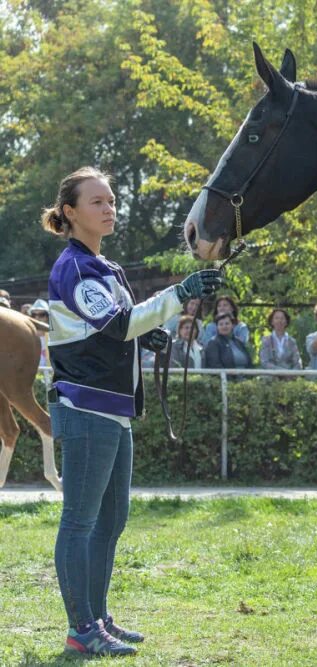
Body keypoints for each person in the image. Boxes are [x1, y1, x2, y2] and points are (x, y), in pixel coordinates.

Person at [41, 166, 221, 656]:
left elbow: (117, 330)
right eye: (97, 202)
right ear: (71, 213)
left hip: (114, 412)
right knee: (80, 522)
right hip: (86, 409)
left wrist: (149, 333)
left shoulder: (108, 269)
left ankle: (96, 617)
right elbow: (118, 325)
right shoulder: (75, 269)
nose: (109, 208)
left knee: (111, 519)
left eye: (112, 200)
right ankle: (81, 630)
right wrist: (180, 294)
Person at [29, 298, 51, 367]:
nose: (37, 318)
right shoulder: (27, 335)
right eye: (34, 315)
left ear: (47, 316)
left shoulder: (54, 337)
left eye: (41, 315)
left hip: (50, 375)